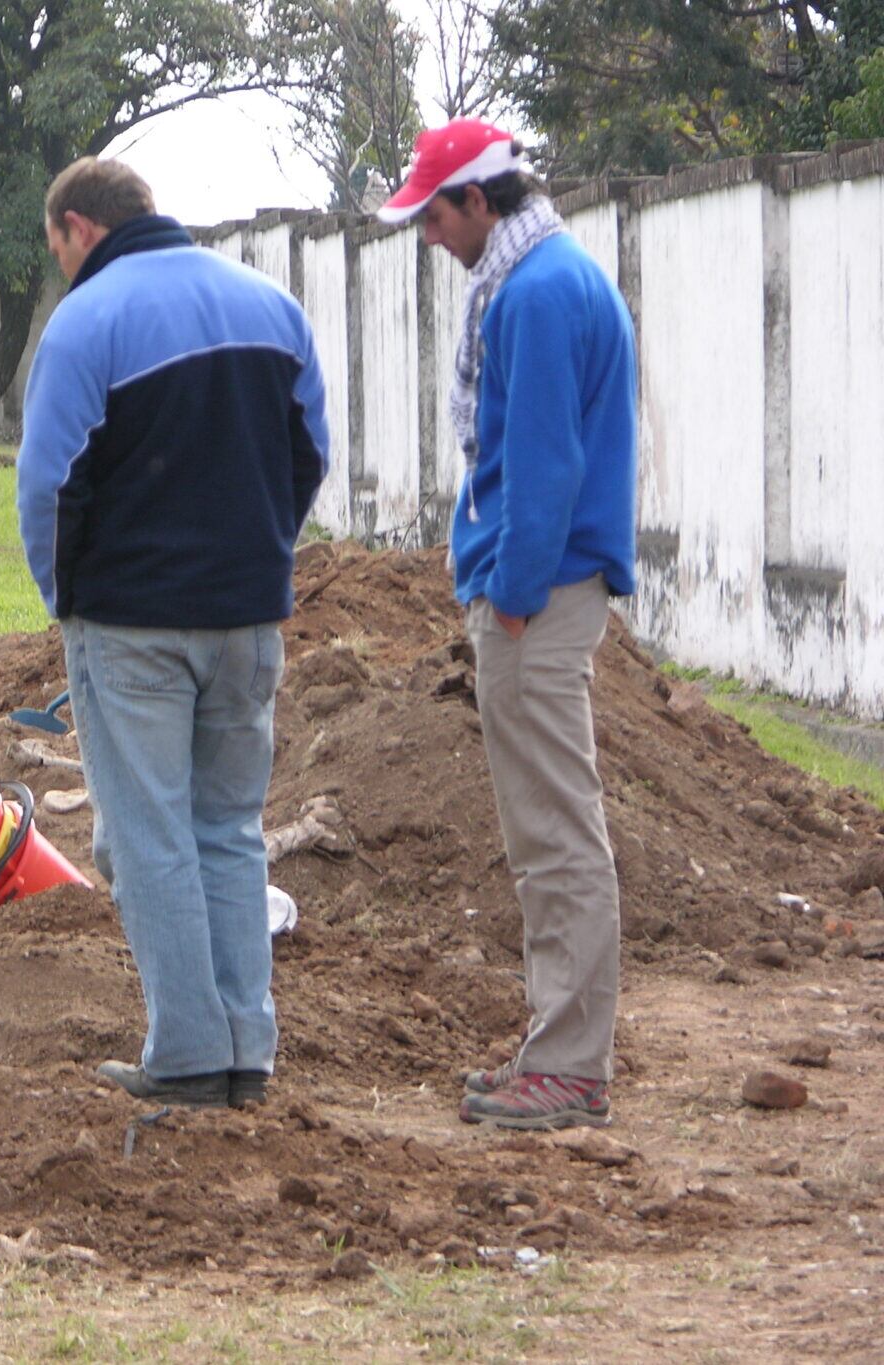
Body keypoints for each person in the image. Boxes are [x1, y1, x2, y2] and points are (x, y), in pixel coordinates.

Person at [17, 157, 329, 1110]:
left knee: (148, 836)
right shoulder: (273, 309)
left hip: (132, 624)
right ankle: (247, 1049)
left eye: (57, 249)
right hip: (248, 618)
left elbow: (49, 485)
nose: (62, 267)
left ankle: (188, 1054)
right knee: (229, 829)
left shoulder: (86, 322)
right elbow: (309, 453)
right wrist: (258, 558)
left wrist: (65, 598)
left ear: (78, 228)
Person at [377, 119, 637, 1130]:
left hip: (540, 596)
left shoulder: (531, 294)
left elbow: (541, 467)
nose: (429, 235)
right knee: (548, 831)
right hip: (551, 586)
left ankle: (567, 1067)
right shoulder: (551, 275)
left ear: (478, 201)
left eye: (435, 215)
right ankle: (555, 1050)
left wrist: (513, 595)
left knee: (553, 835)